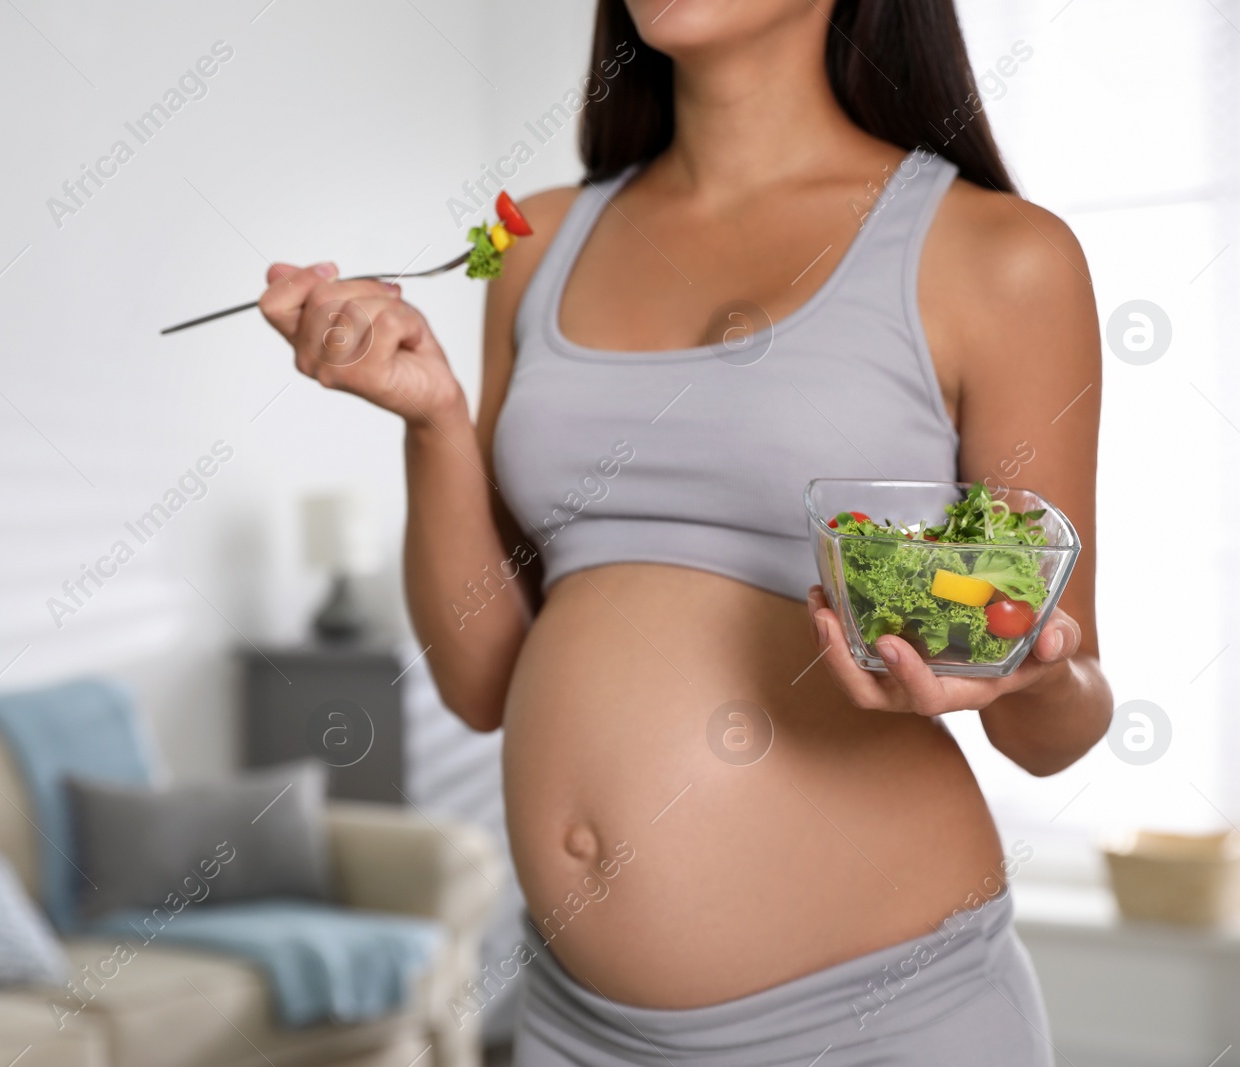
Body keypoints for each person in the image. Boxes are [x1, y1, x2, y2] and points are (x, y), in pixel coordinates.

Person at [258, 0, 1112, 1061]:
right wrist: (431, 418)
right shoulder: (535, 246)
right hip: (576, 1023)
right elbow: (482, 683)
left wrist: (1034, 675)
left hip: (879, 1021)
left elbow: (1055, 718)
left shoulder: (996, 255)